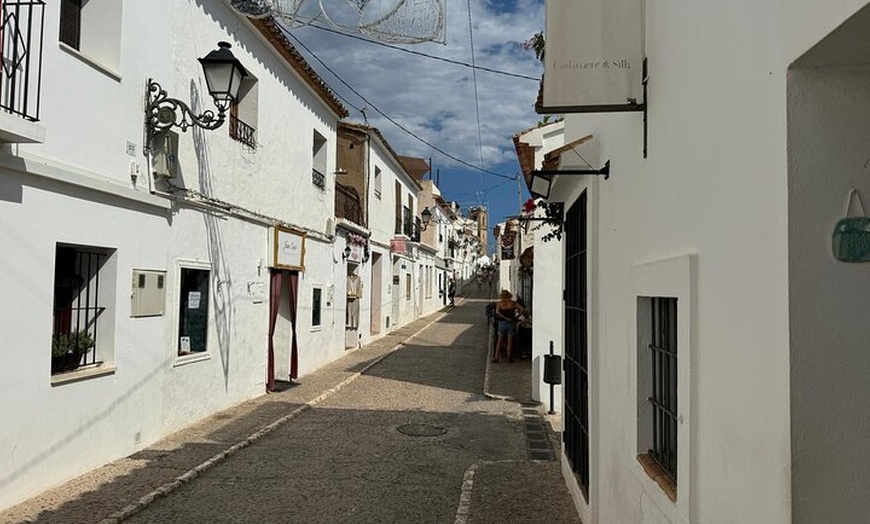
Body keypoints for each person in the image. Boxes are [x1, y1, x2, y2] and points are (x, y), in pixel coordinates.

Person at [493, 289, 525, 363]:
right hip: (511, 322)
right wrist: (517, 317)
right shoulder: (513, 303)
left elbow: (497, 312)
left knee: (500, 340)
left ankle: (496, 357)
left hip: (502, 323)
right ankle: (509, 357)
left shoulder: (500, 303)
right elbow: (522, 309)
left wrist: (504, 317)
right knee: (509, 341)